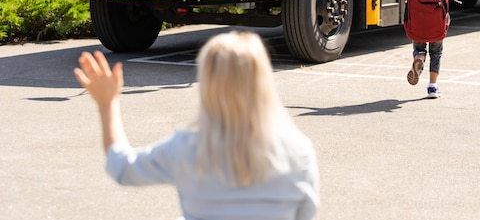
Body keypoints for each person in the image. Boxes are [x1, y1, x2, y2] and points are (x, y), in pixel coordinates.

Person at [73, 31, 319, 220]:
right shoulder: (298, 151)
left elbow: (121, 168)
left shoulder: (187, 148)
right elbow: (305, 213)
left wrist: (107, 104)